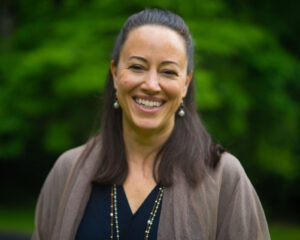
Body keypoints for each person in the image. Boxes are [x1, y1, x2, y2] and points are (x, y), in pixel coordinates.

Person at [32, 9, 270, 240]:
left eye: (168, 72)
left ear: (186, 83)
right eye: (137, 67)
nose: (152, 84)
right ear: (115, 74)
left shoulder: (224, 178)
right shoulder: (67, 171)